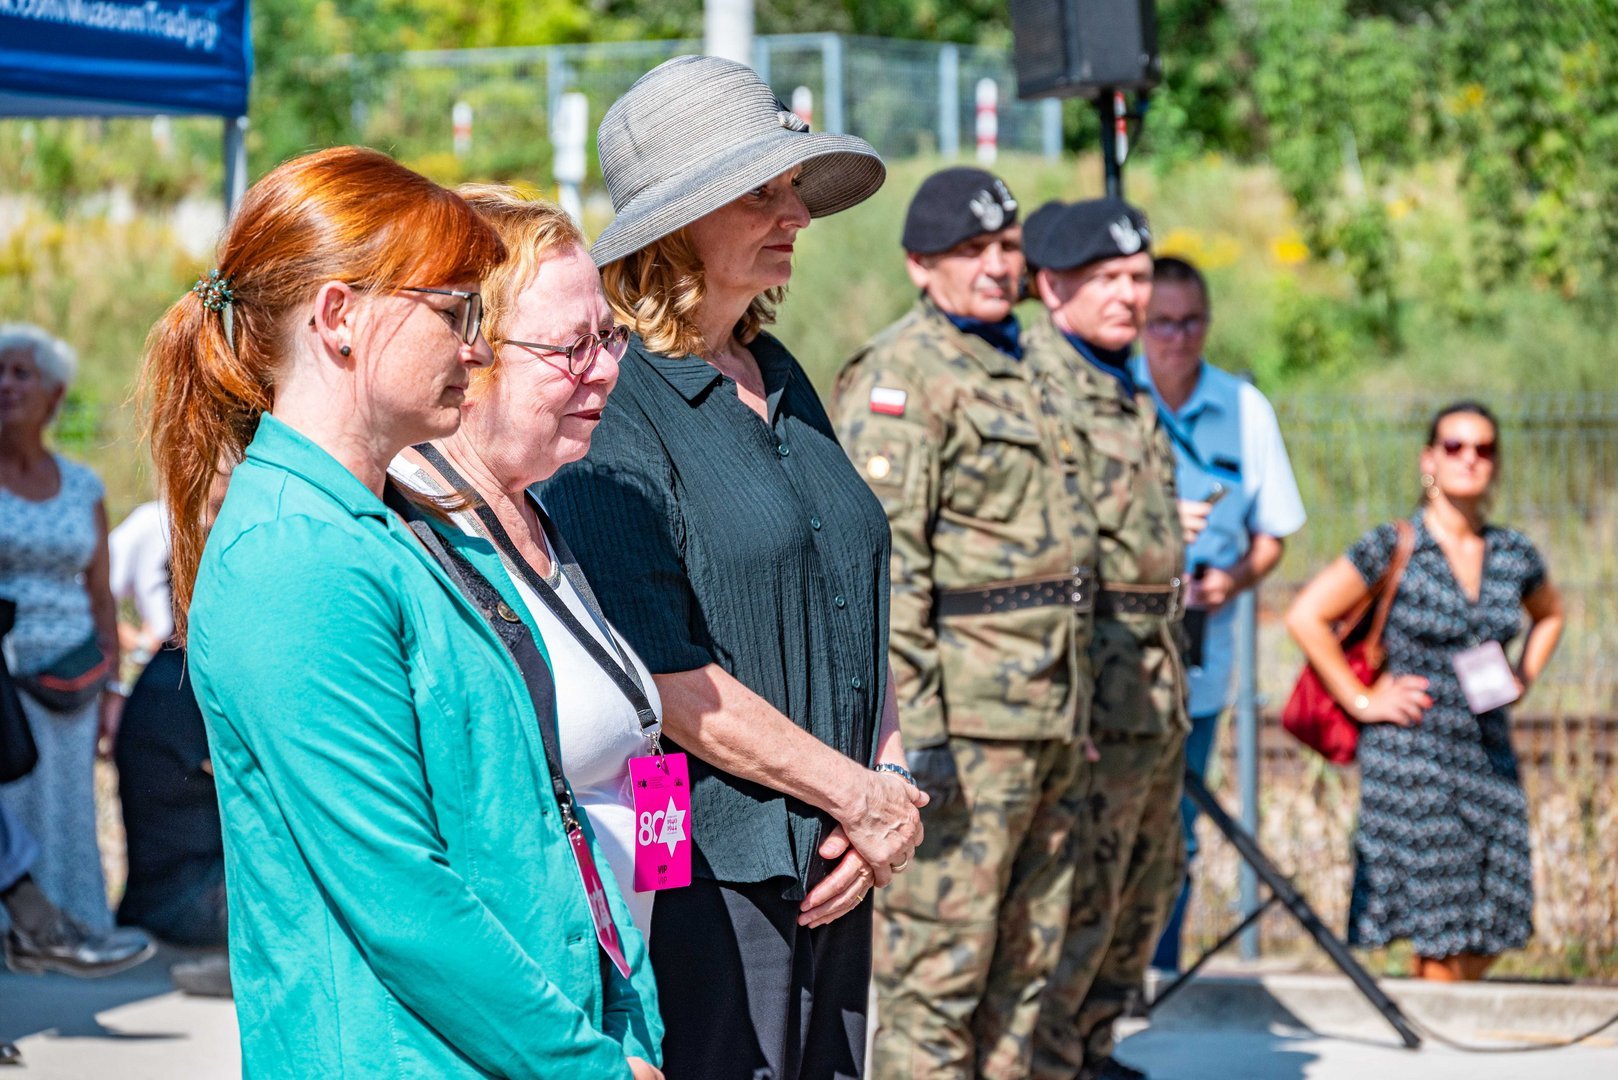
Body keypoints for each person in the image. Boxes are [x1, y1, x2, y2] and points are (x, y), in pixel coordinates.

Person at [141, 145, 663, 1079]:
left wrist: (622, 1015)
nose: (475, 348)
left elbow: (531, 817)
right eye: (454, 311)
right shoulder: (294, 557)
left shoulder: (392, 528)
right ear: (339, 317)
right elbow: (398, 897)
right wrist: (585, 1063)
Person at [537, 56, 923, 1080]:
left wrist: (884, 780)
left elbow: (848, 599)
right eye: (760, 193)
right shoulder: (617, 401)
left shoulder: (776, 372)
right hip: (703, 859)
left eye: (791, 187)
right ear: (675, 226)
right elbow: (658, 673)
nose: (795, 213)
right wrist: (856, 794)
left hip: (836, 846)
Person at [830, 167, 1096, 1079]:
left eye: (1008, 246)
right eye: (971, 250)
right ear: (920, 265)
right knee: (937, 982)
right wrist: (921, 739)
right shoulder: (902, 376)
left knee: (1028, 975)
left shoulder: (1034, 365)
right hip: (966, 737)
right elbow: (888, 573)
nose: (996, 265)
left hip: (1050, 722)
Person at [389, 184, 658, 935]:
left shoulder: (534, 507)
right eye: (572, 348)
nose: (605, 370)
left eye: (609, 337)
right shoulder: (410, 539)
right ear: (469, 355)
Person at [1286, 401, 1563, 983]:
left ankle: (1441, 1013)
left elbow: (1551, 614)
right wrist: (1362, 700)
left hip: (1487, 750)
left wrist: (1524, 676)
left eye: (1484, 448)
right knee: (1441, 924)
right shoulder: (1395, 545)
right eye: (1455, 446)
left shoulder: (1513, 553)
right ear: (1429, 460)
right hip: (1411, 753)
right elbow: (1306, 616)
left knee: (1498, 911)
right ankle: (1439, 1026)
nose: (1470, 458)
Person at [1021, 199, 1189, 1080]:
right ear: (1053, 287)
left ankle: (1094, 1047)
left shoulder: (1124, 381)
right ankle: (1055, 1058)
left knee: (1142, 886)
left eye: (1139, 276)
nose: (1131, 295)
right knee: (1078, 895)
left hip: (1150, 687)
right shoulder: (1040, 384)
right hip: (1095, 690)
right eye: (1108, 278)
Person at [1132, 256, 1307, 975]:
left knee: (1177, 827)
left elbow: (1274, 535)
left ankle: (1161, 976)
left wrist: (1230, 582)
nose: (1178, 337)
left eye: (1191, 321)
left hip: (1202, 657)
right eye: (1162, 322)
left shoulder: (1244, 408)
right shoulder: (1110, 397)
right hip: (1117, 655)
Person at [0, 323, 121, 933]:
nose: (6, 385)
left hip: (73, 679)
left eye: (21, 373)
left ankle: (72, 928)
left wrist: (112, 690)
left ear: (54, 394)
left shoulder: (82, 487)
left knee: (68, 805)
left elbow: (101, 595)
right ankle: (17, 934)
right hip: (4, 677)